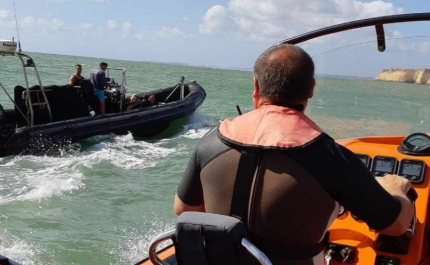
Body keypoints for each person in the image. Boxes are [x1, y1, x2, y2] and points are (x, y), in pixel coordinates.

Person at [173, 44, 413, 265]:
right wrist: (396, 188)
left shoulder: (211, 141)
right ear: (311, 89)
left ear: (256, 86)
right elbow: (396, 226)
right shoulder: (330, 157)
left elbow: (184, 209)